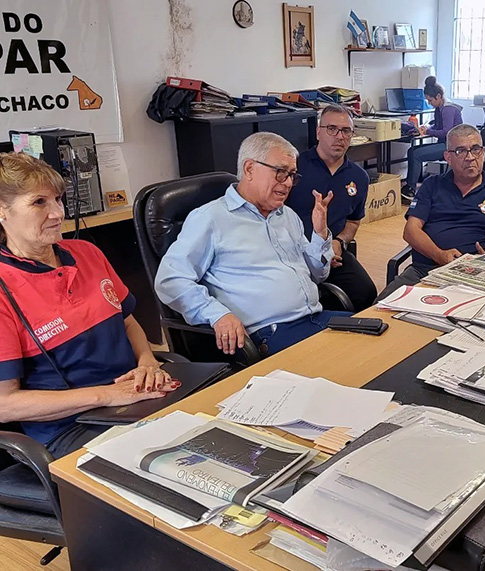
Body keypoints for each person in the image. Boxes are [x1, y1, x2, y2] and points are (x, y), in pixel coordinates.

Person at [0, 153, 180, 458]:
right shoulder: (5, 289)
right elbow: (5, 404)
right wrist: (107, 395)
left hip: (136, 398)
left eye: (58, 199)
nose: (58, 213)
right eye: (39, 202)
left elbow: (127, 321)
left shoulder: (86, 252)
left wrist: (147, 361)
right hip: (72, 428)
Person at [155, 133, 350, 358]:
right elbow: (170, 281)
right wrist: (216, 314)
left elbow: (319, 274)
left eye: (292, 175)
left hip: (316, 318)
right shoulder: (211, 218)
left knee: (381, 334)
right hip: (270, 333)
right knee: (349, 366)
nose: (287, 183)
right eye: (280, 172)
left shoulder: (286, 215)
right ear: (249, 169)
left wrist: (319, 234)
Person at [378, 124, 485, 299]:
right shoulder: (431, 185)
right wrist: (440, 255)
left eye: (475, 149)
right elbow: (411, 231)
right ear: (448, 157)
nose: (470, 157)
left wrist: (484, 264)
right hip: (424, 271)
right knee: (378, 310)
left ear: (484, 152)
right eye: (461, 151)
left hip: (473, 276)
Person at [285, 104, 377, 311]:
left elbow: (353, 221)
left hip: (332, 256)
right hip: (293, 255)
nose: (339, 136)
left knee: (365, 294)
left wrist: (339, 242)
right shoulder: (295, 167)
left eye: (346, 131)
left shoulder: (359, 177)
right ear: (319, 132)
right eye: (332, 129)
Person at [401, 76, 464, 201]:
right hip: (444, 144)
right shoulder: (439, 108)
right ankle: (411, 186)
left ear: (439, 96)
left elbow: (447, 132)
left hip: (451, 147)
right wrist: (427, 128)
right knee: (412, 151)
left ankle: (410, 188)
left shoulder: (448, 109)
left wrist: (429, 131)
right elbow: (438, 126)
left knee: (417, 154)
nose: (429, 103)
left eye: (430, 100)